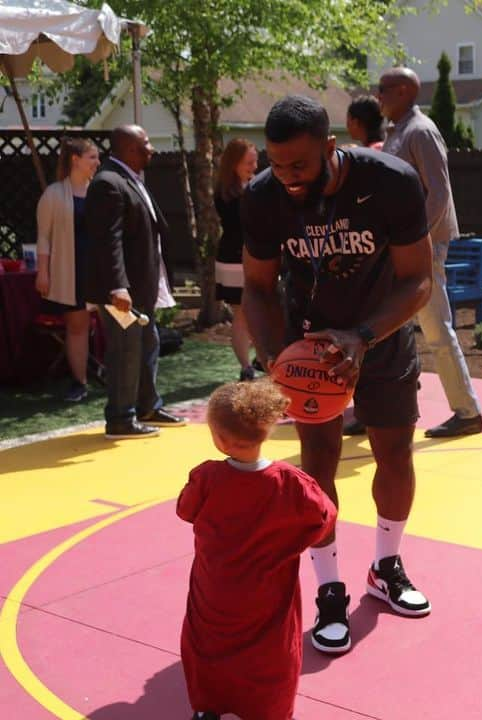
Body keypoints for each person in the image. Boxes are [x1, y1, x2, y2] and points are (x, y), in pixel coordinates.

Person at [242, 95, 435, 656]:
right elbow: (257, 287)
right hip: (312, 345)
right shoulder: (264, 196)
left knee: (395, 456)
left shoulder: (392, 181)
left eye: (299, 165)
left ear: (331, 147)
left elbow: (417, 279)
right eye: (276, 165)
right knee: (318, 464)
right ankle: (329, 587)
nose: (287, 177)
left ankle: (386, 564)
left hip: (382, 329)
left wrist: (364, 336)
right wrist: (281, 358)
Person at [179, 380, 335, 720]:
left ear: (219, 439)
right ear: (267, 429)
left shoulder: (206, 478)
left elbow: (185, 510)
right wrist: (292, 542)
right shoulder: (291, 483)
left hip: (215, 588)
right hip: (269, 591)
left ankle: (208, 707)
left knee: (206, 647)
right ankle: (269, 712)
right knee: (271, 654)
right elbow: (325, 517)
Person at [378, 66, 482, 438]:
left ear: (405, 91)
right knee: (387, 326)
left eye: (384, 89)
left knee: (436, 328)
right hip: (401, 245)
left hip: (422, 245)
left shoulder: (421, 131)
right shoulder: (397, 132)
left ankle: (468, 412)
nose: (378, 96)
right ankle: (380, 406)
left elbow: (438, 192)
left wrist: (415, 239)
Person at [86, 125, 187, 439]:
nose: (151, 149)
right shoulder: (108, 183)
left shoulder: (129, 178)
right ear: (129, 148)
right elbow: (108, 240)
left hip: (141, 286)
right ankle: (120, 418)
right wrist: (118, 286)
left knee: (147, 346)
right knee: (125, 352)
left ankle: (146, 406)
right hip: (122, 291)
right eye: (145, 144)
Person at [34, 137, 100, 402]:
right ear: (76, 160)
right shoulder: (52, 194)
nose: (97, 162)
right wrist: (43, 271)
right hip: (70, 271)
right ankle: (80, 382)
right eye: (92, 157)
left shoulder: (101, 191)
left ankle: (120, 381)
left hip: (101, 271)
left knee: (116, 324)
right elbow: (44, 237)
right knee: (77, 327)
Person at [341, 95, 385, 435]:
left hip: (373, 257)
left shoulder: (371, 158)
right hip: (374, 252)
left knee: (368, 333)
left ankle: (369, 410)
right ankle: (370, 407)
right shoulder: (380, 151)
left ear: (357, 122)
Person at [214, 138, 260, 381]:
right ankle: (246, 366)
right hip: (236, 259)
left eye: (255, 161)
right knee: (242, 313)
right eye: (248, 162)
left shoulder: (250, 187)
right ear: (234, 164)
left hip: (249, 256)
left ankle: (256, 361)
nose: (254, 166)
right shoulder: (230, 193)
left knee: (254, 312)